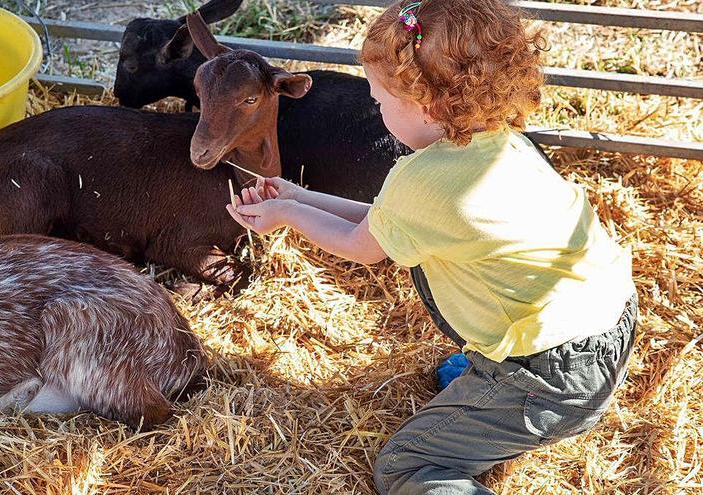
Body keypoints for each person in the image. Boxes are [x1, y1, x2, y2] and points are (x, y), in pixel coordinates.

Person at [225, 1, 637, 493]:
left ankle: (511, 393)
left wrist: (285, 215)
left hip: (552, 378)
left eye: (379, 100)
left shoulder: (423, 180)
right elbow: (385, 220)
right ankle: (497, 377)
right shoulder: (503, 143)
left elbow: (362, 245)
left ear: (426, 104)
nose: (375, 110)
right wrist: (295, 194)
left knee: (404, 468)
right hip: (603, 324)